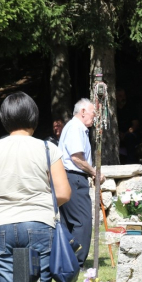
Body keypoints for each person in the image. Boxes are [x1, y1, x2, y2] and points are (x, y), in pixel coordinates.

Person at [0, 92, 71, 282]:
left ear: (4, 119)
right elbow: (64, 192)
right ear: (33, 117)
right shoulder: (47, 148)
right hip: (38, 228)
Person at [59, 98, 105, 269]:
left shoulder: (77, 128)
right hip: (73, 177)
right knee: (82, 221)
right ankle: (75, 262)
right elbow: (76, 158)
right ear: (83, 111)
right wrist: (94, 172)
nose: (95, 116)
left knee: (69, 223)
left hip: (71, 177)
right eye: (94, 112)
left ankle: (65, 261)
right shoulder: (75, 128)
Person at [116, 88, 141, 164]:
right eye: (120, 96)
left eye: (124, 95)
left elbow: (135, 125)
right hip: (117, 134)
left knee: (130, 137)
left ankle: (131, 163)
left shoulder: (131, 108)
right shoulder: (113, 109)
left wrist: (126, 133)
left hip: (129, 133)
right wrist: (118, 134)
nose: (123, 98)